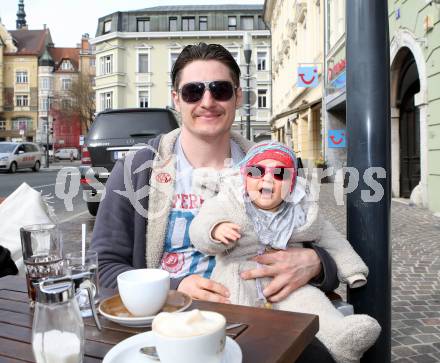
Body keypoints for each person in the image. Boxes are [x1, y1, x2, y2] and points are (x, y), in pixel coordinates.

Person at [91, 42, 341, 362]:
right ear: (176, 100)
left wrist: (317, 264)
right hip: (170, 330)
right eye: (193, 91)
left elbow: (322, 237)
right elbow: (103, 269)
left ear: (238, 96)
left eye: (220, 90)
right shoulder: (136, 170)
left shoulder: (275, 166)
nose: (207, 102)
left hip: (263, 319)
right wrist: (172, 289)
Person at [189, 141, 381, 363]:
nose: (267, 179)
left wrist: (353, 270)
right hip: (238, 277)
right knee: (236, 320)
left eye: (279, 173)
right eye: (256, 171)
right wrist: (215, 229)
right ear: (244, 176)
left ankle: (340, 338)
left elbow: (331, 238)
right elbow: (201, 224)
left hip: (289, 284)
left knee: (311, 303)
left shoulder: (301, 212)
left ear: (291, 184)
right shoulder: (229, 201)